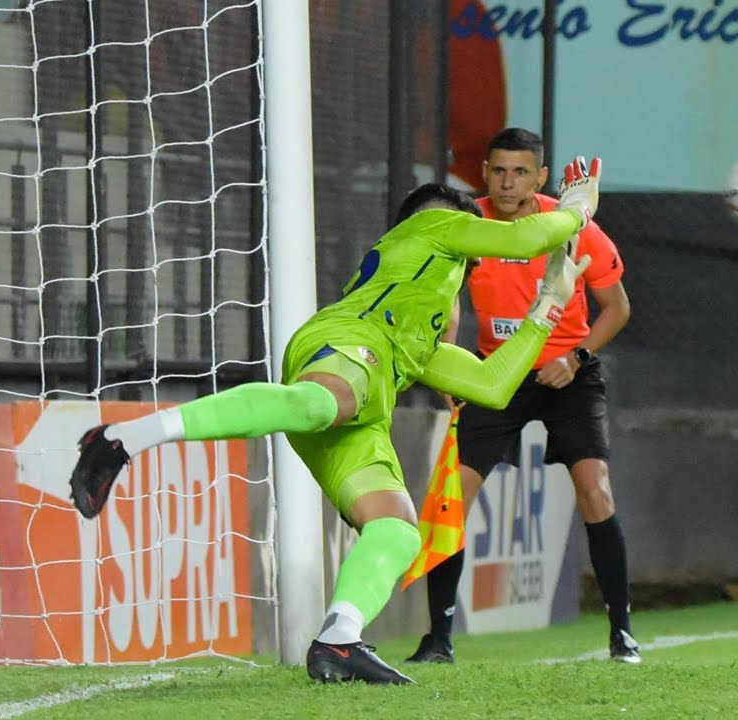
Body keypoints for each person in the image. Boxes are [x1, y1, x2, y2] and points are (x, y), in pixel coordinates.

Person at [67, 160, 603, 685]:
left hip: (369, 399)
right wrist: (577, 211)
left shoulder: (417, 346)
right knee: (323, 402)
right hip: (345, 346)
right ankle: (121, 438)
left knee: (396, 529)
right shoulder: (433, 221)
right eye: (465, 261)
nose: (461, 279)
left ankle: (339, 636)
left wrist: (547, 309)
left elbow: (493, 384)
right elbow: (526, 240)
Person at [405, 127, 639, 665]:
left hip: (568, 376)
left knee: (596, 490)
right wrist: (450, 368)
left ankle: (622, 634)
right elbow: (449, 302)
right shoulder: (467, 221)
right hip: (496, 376)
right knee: (451, 499)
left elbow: (618, 308)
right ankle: (438, 641)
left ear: (540, 177)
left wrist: (574, 358)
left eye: (520, 172)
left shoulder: (573, 223)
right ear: (484, 172)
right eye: (498, 171)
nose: (508, 183)